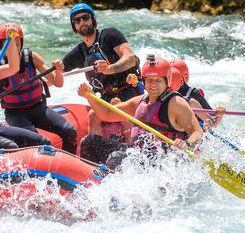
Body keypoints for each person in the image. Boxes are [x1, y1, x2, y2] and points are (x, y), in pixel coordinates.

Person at [76, 55, 206, 164]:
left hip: (162, 159)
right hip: (137, 152)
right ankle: (89, 179)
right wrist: (89, 96)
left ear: (167, 80)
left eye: (158, 80)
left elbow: (197, 132)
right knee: (89, 142)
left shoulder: (176, 103)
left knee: (116, 158)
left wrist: (187, 144)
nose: (153, 85)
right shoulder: (139, 102)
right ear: (143, 81)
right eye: (149, 80)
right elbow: (107, 114)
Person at [62, 3, 142, 159]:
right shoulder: (80, 51)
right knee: (93, 116)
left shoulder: (110, 35)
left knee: (121, 112)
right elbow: (56, 75)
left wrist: (110, 68)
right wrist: (54, 68)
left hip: (129, 89)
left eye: (85, 18)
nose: (82, 22)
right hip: (106, 95)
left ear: (93, 20)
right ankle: (95, 157)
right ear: (74, 27)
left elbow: (130, 58)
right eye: (77, 21)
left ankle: (133, 153)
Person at [0, 22, 78, 154]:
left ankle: (70, 162)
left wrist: (59, 71)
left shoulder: (32, 58)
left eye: (16, 42)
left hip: (38, 107)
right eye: (7, 43)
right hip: (15, 113)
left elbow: (57, 83)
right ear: (1, 45)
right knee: (40, 143)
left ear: (21, 42)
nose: (12, 47)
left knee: (70, 131)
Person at [169, 61, 225, 130]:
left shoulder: (192, 95)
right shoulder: (161, 93)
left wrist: (219, 114)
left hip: (197, 128)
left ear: (183, 78)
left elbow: (213, 122)